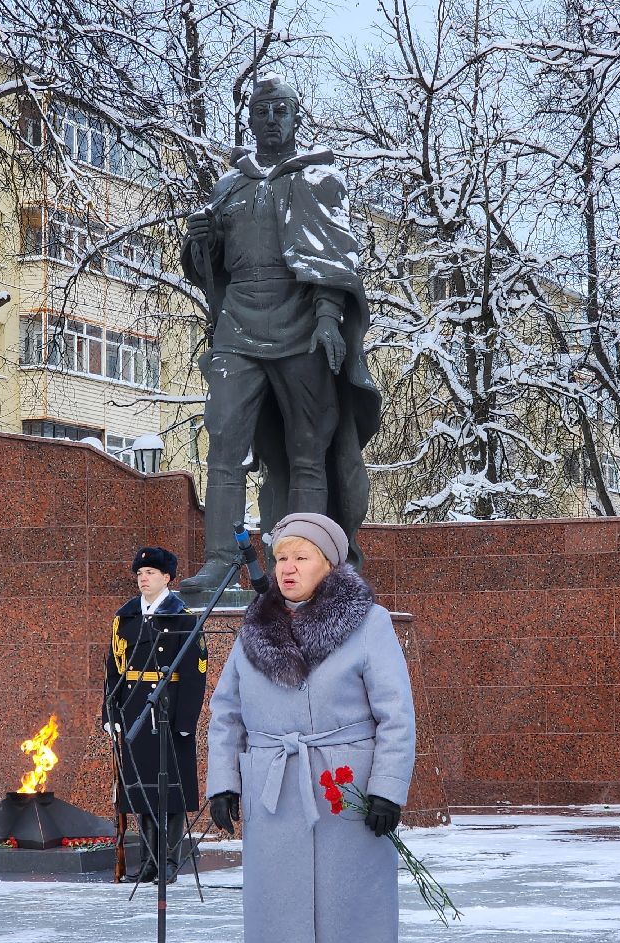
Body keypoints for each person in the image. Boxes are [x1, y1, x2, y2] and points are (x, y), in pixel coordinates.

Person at [205, 513, 415, 943]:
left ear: (330, 563)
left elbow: (396, 713)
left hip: (346, 783)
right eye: (280, 558)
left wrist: (388, 790)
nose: (288, 568)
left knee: (355, 905)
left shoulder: (367, 622)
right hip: (275, 785)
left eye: (301, 557)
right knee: (274, 908)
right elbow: (225, 712)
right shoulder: (255, 625)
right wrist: (225, 782)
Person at [178, 75, 382, 593]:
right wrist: (200, 244)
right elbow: (210, 269)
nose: (271, 120)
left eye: (281, 111)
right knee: (224, 445)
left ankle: (308, 562)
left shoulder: (319, 180)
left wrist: (329, 319)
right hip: (238, 326)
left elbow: (334, 259)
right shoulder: (230, 185)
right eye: (262, 110)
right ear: (249, 116)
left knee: (308, 451)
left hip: (302, 328)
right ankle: (222, 561)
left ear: (296, 118)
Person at [103, 546, 208, 883]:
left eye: (150, 573)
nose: (143, 578)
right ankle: (149, 860)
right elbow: (113, 669)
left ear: (167, 577)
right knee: (141, 790)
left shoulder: (183, 616)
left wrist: (185, 722)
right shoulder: (126, 616)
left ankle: (171, 861)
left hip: (168, 710)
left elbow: (195, 674)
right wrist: (111, 711)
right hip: (135, 710)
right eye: (139, 574)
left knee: (171, 791)